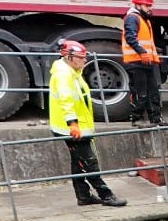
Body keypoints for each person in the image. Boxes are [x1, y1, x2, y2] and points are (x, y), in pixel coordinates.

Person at [48, 40, 126, 208]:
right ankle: (106, 195)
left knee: (78, 162)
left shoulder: (72, 72)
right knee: (89, 162)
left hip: (75, 127)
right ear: (70, 57)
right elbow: (66, 100)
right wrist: (73, 124)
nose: (85, 61)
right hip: (71, 128)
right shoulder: (64, 75)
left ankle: (83, 196)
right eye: (81, 58)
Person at [121, 0, 166, 127]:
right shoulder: (132, 18)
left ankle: (155, 119)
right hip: (135, 62)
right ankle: (137, 119)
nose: (150, 9)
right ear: (138, 5)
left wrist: (153, 55)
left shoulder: (142, 19)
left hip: (145, 61)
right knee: (140, 92)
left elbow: (144, 41)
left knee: (153, 92)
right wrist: (142, 52)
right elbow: (130, 38)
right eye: (147, 6)